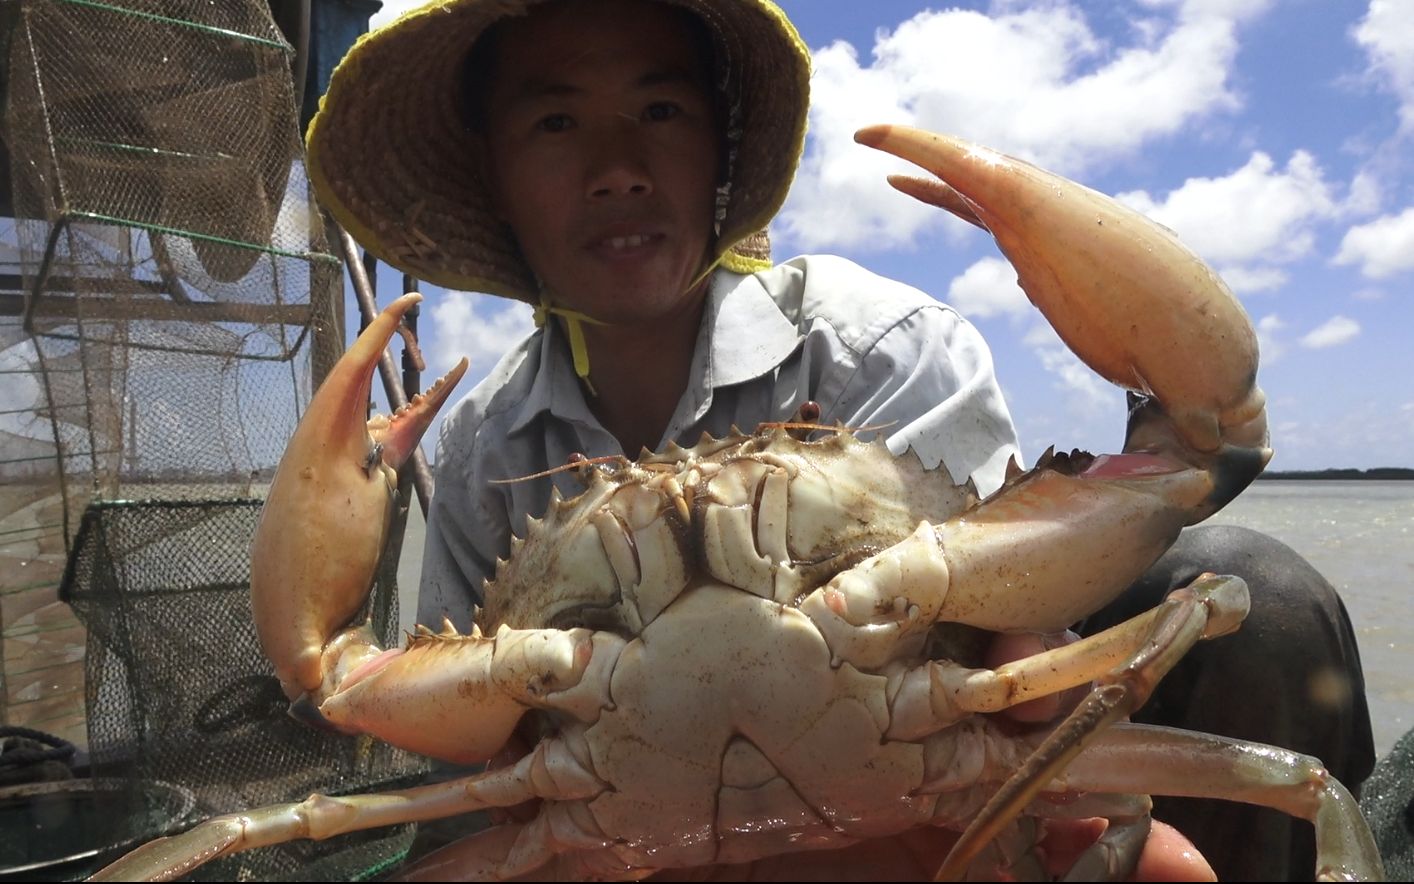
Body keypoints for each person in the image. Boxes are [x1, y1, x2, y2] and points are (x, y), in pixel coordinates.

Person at [304, 1, 1376, 880]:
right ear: (490, 173)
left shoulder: (882, 344)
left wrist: (1023, 661)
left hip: (936, 791)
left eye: (661, 109)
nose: (618, 166)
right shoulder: (488, 438)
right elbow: (429, 722)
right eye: (554, 122)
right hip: (624, 841)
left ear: (720, 157)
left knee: (1246, 585)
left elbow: (1031, 622)